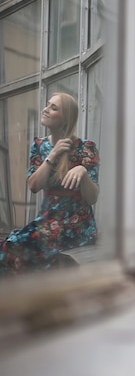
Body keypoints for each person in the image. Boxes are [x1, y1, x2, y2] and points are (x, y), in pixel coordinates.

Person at [0, 93, 99, 275]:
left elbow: (92, 197)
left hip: (77, 226)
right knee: (6, 247)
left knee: (15, 247)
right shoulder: (39, 146)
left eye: (54, 108)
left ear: (65, 119)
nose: (45, 110)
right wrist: (52, 156)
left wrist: (83, 172)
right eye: (47, 105)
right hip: (47, 221)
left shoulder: (86, 147)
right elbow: (34, 186)